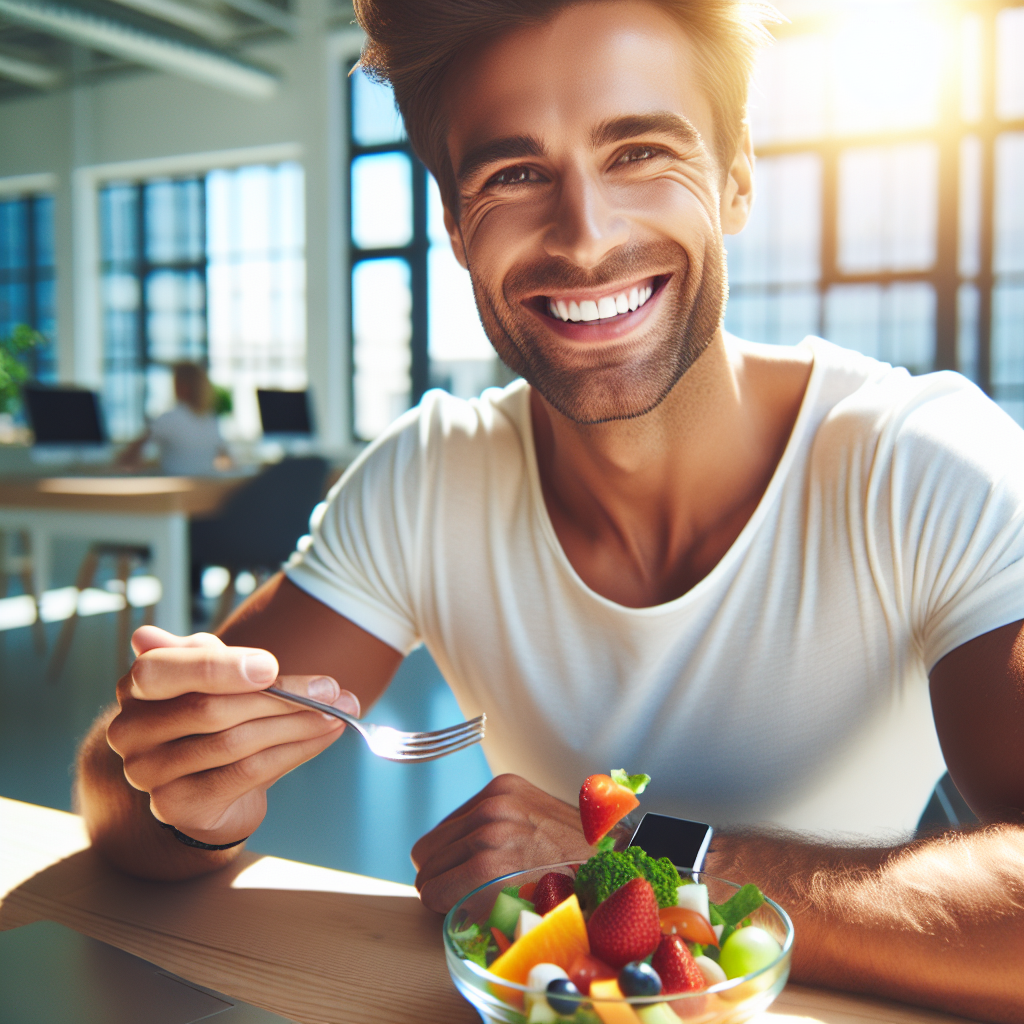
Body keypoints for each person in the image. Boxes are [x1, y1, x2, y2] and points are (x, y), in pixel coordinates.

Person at [76, 2, 1024, 1020]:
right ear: (452, 224)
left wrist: (637, 857)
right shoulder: (431, 476)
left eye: (640, 150)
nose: (585, 237)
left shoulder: (923, 463)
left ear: (735, 176)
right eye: (513, 174)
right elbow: (115, 793)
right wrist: (187, 791)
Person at [118, 362, 230, 475]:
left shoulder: (170, 419)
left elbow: (128, 459)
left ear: (182, 386)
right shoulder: (211, 420)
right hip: (205, 488)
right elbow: (226, 459)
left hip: (176, 487)